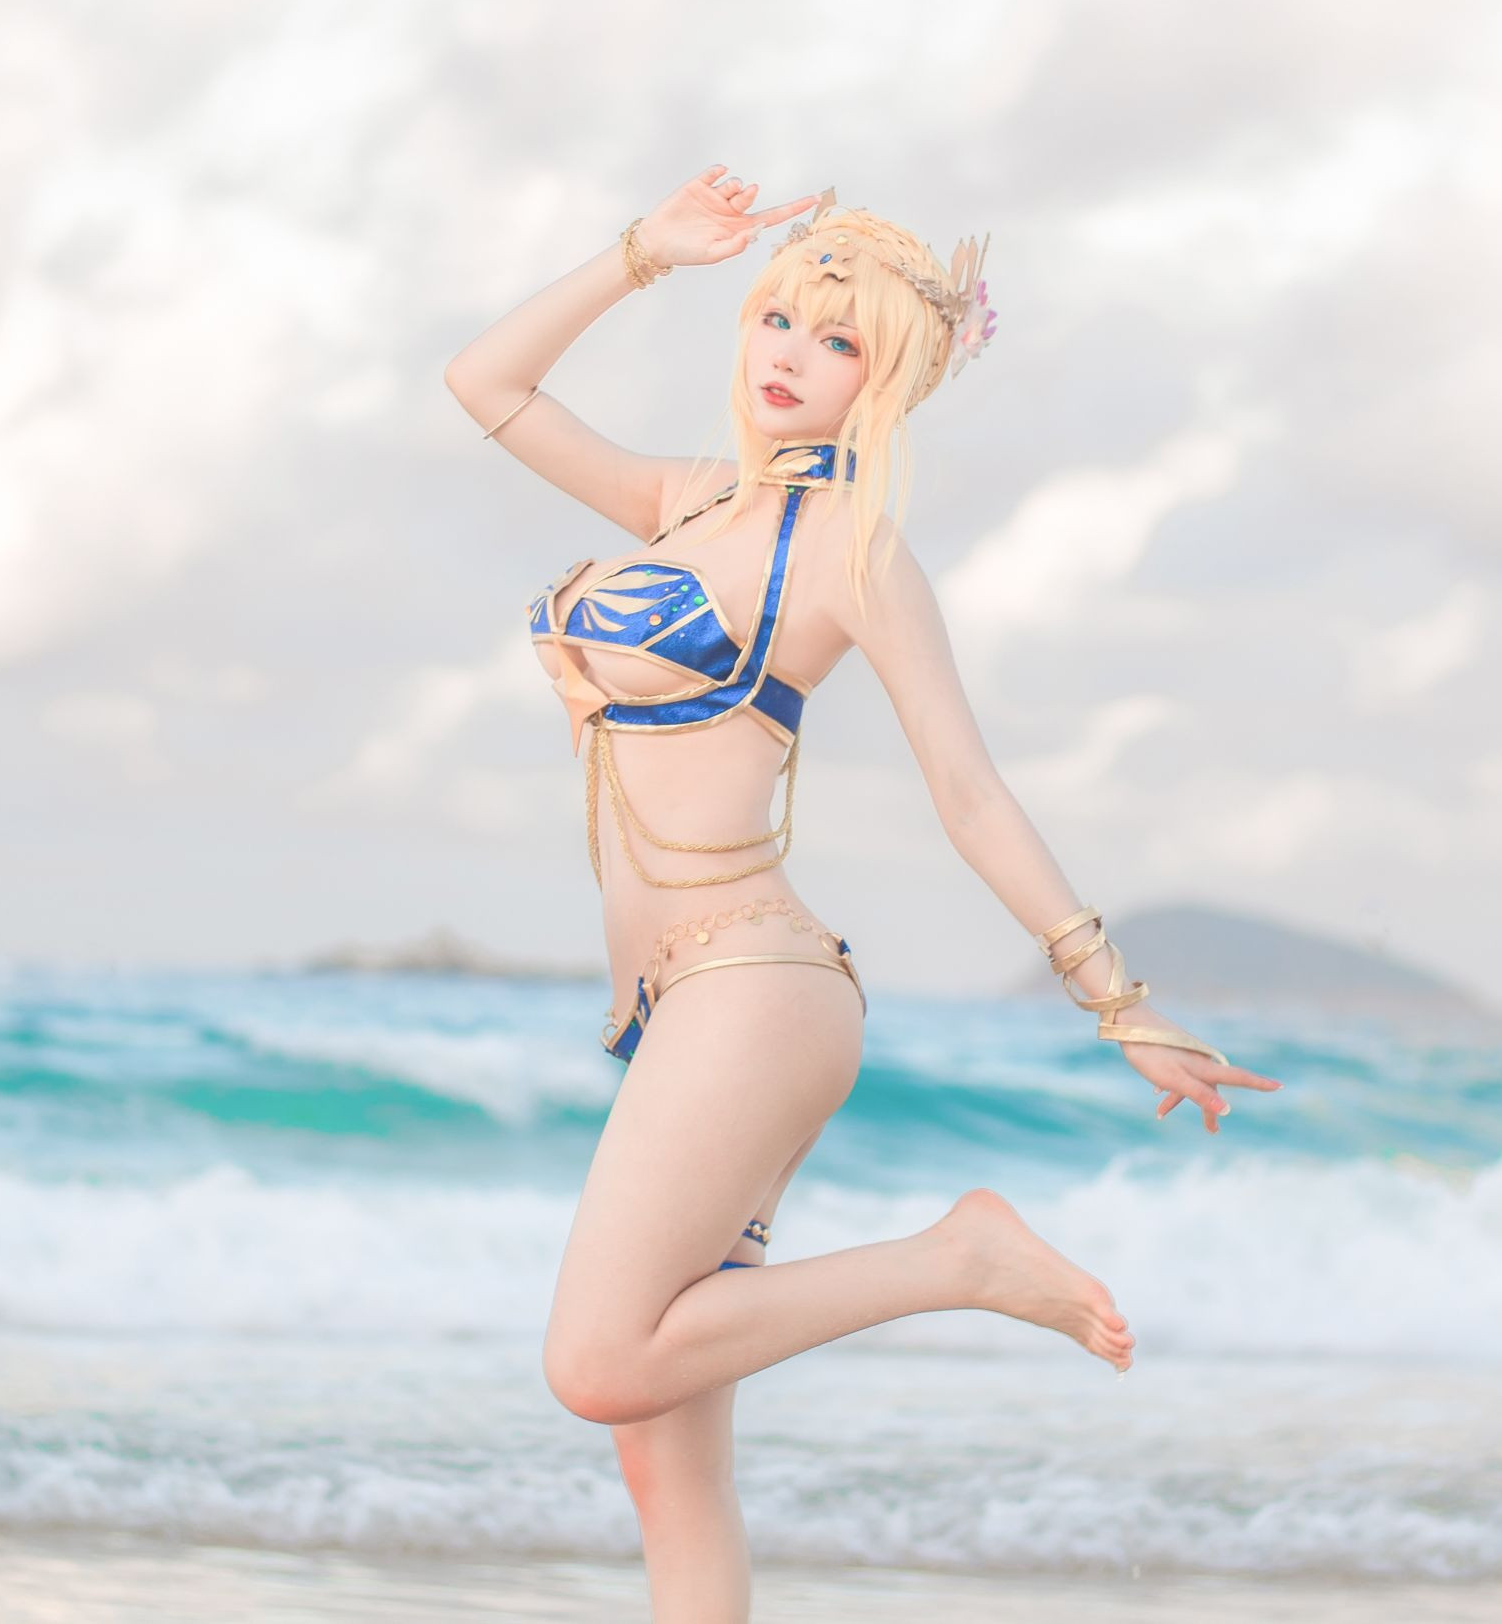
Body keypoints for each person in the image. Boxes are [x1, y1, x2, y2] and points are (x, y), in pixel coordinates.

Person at [444, 165, 1282, 1619]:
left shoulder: (855, 554)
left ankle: (957, 1257)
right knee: (666, 1460)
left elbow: (969, 792)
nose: (787, 353)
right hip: (676, 1005)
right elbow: (486, 381)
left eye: (837, 341)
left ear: (886, 382)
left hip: (753, 991)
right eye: (776, 316)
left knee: (596, 1365)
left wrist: (1117, 1002)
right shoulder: (685, 497)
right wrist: (644, 254)